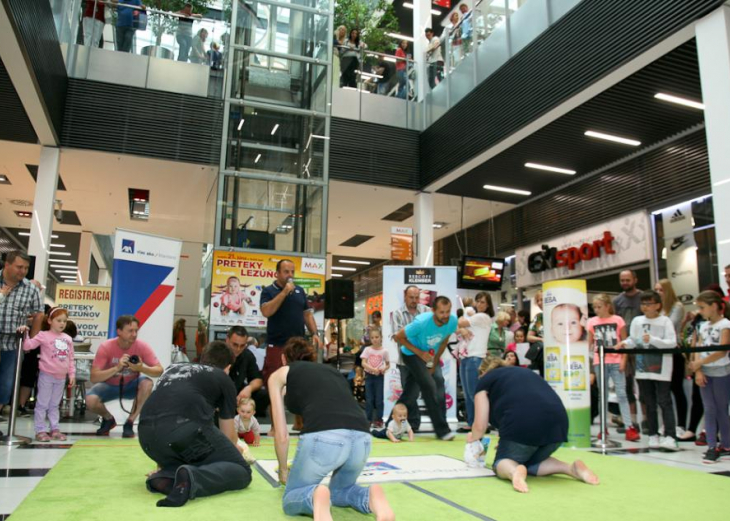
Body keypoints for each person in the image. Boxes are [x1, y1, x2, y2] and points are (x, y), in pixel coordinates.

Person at [268, 338, 394, 520]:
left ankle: (314, 497)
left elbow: (281, 435)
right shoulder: (330, 372)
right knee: (341, 491)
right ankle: (369, 497)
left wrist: (283, 470)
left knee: (291, 497)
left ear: (283, 359)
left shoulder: (280, 374)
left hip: (325, 435)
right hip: (362, 436)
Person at [139, 341, 252, 508]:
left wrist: (160, 463)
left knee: (193, 452)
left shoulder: (173, 368)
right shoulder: (222, 378)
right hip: (182, 433)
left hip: (146, 438)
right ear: (227, 367)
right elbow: (228, 435)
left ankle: (164, 478)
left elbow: (164, 408)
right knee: (242, 471)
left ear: (202, 359)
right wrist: (237, 450)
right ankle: (192, 478)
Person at [465, 358, 599, 493]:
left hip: (523, 424)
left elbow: (480, 427)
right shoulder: (524, 373)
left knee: (501, 463)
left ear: (482, 372)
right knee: (528, 461)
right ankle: (570, 468)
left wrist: (472, 437)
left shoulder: (485, 381)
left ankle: (514, 471)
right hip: (558, 426)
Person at [260, 259, 322, 433]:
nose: (290, 275)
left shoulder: (300, 291)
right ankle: (275, 427)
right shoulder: (268, 291)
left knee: (301, 385)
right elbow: (267, 312)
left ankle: (299, 424)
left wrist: (315, 333)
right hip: (277, 345)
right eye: (286, 272)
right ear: (277, 273)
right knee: (275, 385)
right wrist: (284, 293)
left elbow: (307, 314)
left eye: (292, 272)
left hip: (298, 346)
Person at [86, 315, 163, 438]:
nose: (134, 334)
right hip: (109, 385)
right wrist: (117, 368)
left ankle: (130, 422)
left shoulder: (142, 346)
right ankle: (108, 419)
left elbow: (159, 370)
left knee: (147, 383)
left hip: (131, 385)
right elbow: (94, 377)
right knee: (90, 400)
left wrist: (141, 368)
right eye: (130, 331)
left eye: (136, 331)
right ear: (119, 331)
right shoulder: (106, 347)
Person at [619, 290, 678, 450]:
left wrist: (653, 340)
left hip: (662, 368)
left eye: (649, 303)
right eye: (643, 304)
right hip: (642, 367)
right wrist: (625, 343)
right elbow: (634, 339)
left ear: (657, 305)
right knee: (648, 402)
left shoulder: (665, 321)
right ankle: (653, 434)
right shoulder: (638, 321)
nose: (645, 307)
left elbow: (672, 342)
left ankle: (670, 435)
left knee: (664, 401)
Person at [394, 296, 457, 441]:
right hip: (411, 354)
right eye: (441, 312)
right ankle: (442, 430)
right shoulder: (421, 322)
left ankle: (389, 426)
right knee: (429, 386)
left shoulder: (452, 321)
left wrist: (434, 364)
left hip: (429, 357)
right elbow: (399, 337)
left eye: (448, 311)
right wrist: (420, 353)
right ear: (433, 310)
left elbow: (443, 343)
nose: (445, 316)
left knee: (411, 393)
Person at [0, 251, 44, 429]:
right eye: (19, 267)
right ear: (7, 264)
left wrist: (31, 341)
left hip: (13, 342)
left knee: (6, 383)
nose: (23, 271)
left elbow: (39, 314)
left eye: (26, 268)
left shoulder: (31, 288)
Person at [19, 307, 75, 442]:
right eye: (58, 320)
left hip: (61, 377)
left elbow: (71, 358)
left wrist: (72, 374)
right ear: (50, 321)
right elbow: (28, 346)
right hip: (46, 375)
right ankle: (40, 430)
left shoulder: (67, 338)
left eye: (64, 321)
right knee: (42, 404)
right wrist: (25, 333)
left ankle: (54, 428)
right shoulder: (43, 335)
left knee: (55, 404)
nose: (62, 324)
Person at [586, 294, 637, 442]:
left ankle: (629, 427)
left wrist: (623, 360)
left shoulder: (618, 320)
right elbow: (589, 344)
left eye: (599, 306)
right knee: (603, 394)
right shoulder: (592, 322)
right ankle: (603, 427)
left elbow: (624, 342)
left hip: (616, 360)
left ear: (607, 306)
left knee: (621, 393)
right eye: (594, 307)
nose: (596, 310)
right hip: (599, 360)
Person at [688, 290, 730, 463]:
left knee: (721, 409)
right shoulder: (702, 326)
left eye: (702, 307)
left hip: (721, 372)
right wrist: (698, 369)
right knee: (709, 409)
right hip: (705, 372)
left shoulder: (725, 324)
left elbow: (722, 351)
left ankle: (726, 445)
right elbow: (697, 348)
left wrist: (700, 363)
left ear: (714, 306)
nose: (700, 311)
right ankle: (712, 446)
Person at [390, 285, 430, 430]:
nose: (414, 300)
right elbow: (397, 337)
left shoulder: (427, 311)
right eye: (411, 297)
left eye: (416, 297)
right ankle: (412, 423)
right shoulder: (397, 313)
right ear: (405, 297)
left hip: (423, 361)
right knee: (410, 393)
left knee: (413, 393)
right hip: (404, 361)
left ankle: (412, 423)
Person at [655, 278, 689, 438]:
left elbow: (670, 324)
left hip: (674, 352)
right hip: (659, 353)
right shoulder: (658, 309)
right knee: (663, 391)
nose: (658, 293)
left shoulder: (677, 306)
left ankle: (681, 424)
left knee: (677, 389)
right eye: (656, 290)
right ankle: (666, 423)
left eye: (660, 290)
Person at [456, 291, 493, 432]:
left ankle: (481, 423)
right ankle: (472, 423)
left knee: (474, 393)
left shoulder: (482, 317)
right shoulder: (475, 317)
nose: (479, 304)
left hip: (475, 358)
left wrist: (463, 325)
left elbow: (460, 322)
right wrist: (463, 328)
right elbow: (457, 328)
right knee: (468, 393)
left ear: (488, 304)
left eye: (483, 302)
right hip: (466, 357)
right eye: (477, 301)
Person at [613, 270, 643, 430]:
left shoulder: (643, 298)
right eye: (622, 280)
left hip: (642, 347)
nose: (625, 283)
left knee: (643, 384)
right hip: (624, 347)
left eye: (627, 280)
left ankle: (646, 420)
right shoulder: (617, 301)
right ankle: (631, 421)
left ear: (635, 279)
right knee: (627, 384)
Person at [225, 326, 267, 418]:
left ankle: (248, 418)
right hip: (221, 393)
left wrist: (249, 388)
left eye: (242, 345)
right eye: (235, 345)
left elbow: (257, 379)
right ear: (227, 340)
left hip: (239, 394)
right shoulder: (217, 352)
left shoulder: (247, 355)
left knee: (263, 395)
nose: (238, 349)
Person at [361, 328, 389, 428]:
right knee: (369, 399)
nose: (375, 339)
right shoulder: (367, 350)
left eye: (377, 337)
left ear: (381, 337)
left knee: (379, 399)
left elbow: (388, 364)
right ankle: (368, 420)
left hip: (379, 377)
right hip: (369, 377)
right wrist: (372, 369)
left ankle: (378, 420)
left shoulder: (384, 351)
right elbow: (363, 363)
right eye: (372, 337)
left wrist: (383, 369)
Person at [526, 291, 544, 374]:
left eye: (542, 300)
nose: (539, 303)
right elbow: (529, 337)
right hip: (542, 354)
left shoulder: (558, 314)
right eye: (538, 300)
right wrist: (541, 339)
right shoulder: (539, 317)